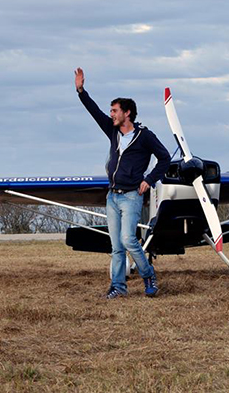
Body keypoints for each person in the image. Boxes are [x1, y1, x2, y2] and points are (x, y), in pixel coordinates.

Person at [75, 67, 171, 299]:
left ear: (127, 113)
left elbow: (165, 158)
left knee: (128, 239)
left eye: (115, 111)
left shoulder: (145, 136)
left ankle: (148, 275)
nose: (111, 115)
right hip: (112, 196)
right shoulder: (112, 131)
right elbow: (94, 111)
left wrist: (149, 180)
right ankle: (118, 287)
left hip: (131, 196)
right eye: (111, 111)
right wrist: (81, 91)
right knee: (116, 246)